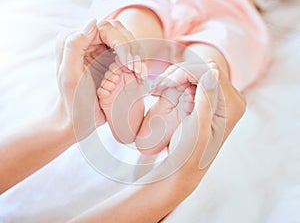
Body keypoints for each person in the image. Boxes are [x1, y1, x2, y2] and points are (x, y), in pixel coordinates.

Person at [0, 17, 246, 222]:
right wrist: (172, 184)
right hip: (234, 9)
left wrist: (67, 122)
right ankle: (192, 85)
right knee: (222, 42)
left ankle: (126, 64)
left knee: (133, 22)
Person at [93, 0, 270, 155]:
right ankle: (128, 61)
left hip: (231, 8)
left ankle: (189, 88)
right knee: (139, 13)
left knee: (221, 44)